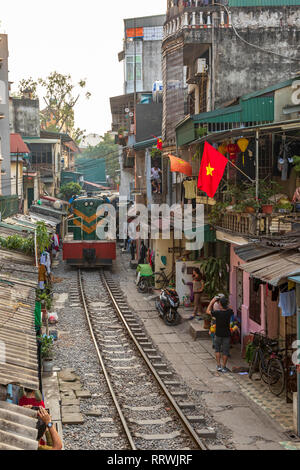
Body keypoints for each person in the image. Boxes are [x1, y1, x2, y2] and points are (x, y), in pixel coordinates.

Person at [206, 295, 233, 373]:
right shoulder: (229, 312)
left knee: (217, 349)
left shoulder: (217, 313)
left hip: (218, 334)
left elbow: (207, 311)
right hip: (226, 334)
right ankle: (224, 367)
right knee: (225, 351)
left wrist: (212, 302)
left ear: (220, 305)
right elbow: (230, 308)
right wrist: (225, 302)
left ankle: (218, 366)